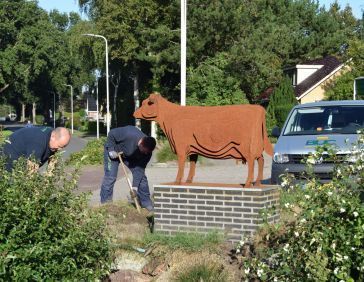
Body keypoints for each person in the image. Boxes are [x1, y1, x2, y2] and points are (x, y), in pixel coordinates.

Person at [100, 125, 156, 211]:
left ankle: (146, 202)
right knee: (110, 177)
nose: (145, 153)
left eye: (147, 152)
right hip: (114, 153)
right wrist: (111, 149)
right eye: (144, 151)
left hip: (129, 156)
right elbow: (111, 134)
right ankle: (106, 204)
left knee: (142, 178)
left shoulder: (147, 153)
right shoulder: (129, 133)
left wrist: (135, 187)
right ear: (141, 143)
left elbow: (139, 170)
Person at [1, 127, 71, 173]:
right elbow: (31, 172)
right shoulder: (38, 143)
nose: (59, 149)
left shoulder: (53, 138)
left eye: (63, 147)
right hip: (8, 158)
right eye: (59, 146)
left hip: (22, 158)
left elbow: (52, 166)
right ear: (52, 137)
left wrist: (48, 181)